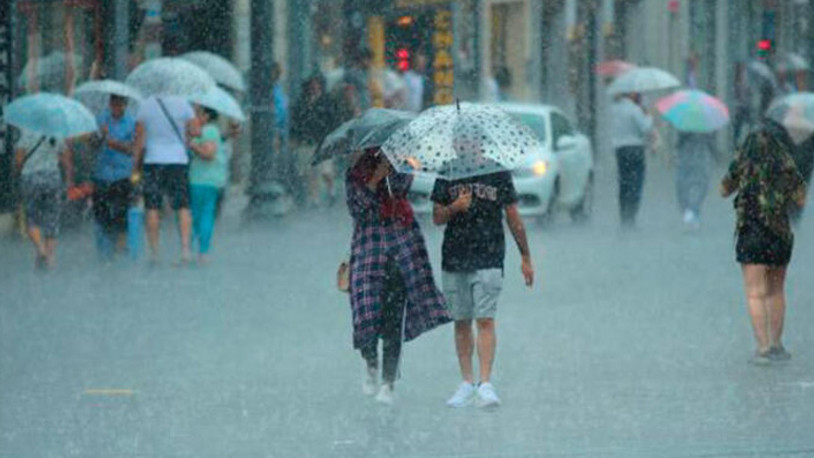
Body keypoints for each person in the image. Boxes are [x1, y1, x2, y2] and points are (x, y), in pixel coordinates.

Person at [346, 149, 451, 405]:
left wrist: (390, 171)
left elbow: (403, 188)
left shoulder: (400, 166)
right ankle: (371, 361)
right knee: (365, 313)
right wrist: (374, 179)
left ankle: (388, 382)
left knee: (394, 319)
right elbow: (359, 208)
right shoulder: (354, 174)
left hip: (401, 245)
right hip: (369, 246)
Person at [431, 168, 534, 408]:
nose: (466, 143)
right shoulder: (447, 172)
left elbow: (512, 216)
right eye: (461, 140)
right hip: (455, 258)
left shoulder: (497, 172)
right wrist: (455, 206)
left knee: (485, 319)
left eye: (470, 139)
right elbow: (437, 217)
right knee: (462, 320)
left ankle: (485, 383)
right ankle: (467, 382)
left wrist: (526, 256)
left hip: (489, 256)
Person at [720, 123, 806, 365]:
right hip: (779, 234)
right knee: (776, 291)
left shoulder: (743, 163)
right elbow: (800, 198)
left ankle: (763, 347)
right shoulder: (785, 164)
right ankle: (777, 345)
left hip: (751, 233)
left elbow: (723, 189)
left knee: (755, 293)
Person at [133, 95, 196, 265]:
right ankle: (184, 250)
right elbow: (194, 132)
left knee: (152, 207)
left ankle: (154, 252)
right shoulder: (183, 103)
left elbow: (139, 139)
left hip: (153, 161)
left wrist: (134, 166)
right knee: (183, 206)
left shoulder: (145, 105)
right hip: (178, 161)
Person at [14, 132, 73, 270]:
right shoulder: (55, 133)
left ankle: (40, 250)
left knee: (32, 218)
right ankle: (50, 257)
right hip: (52, 179)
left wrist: (20, 170)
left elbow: (18, 160)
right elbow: (66, 157)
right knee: (52, 218)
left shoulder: (26, 133)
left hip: (31, 179)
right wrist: (70, 179)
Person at [90, 95, 136, 260]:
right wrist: (99, 136)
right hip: (101, 174)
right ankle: (104, 250)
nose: (117, 107)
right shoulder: (101, 119)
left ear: (125, 105)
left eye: (120, 104)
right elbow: (92, 144)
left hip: (122, 175)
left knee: (121, 215)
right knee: (101, 214)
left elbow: (132, 149)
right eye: (114, 104)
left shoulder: (132, 122)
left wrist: (113, 143)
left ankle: (119, 249)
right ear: (109, 104)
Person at [290, 73, 338, 207]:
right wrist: (295, 138)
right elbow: (296, 121)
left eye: (317, 84)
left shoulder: (327, 101)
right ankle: (314, 197)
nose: (314, 87)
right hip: (307, 141)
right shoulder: (301, 102)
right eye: (312, 84)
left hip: (324, 141)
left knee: (325, 170)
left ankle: (330, 190)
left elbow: (334, 120)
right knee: (310, 172)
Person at [187, 105, 227, 265]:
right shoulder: (207, 130)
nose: (195, 117)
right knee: (204, 215)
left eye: (198, 114)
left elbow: (209, 154)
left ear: (206, 116)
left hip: (202, 180)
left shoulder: (209, 130)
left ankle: (198, 251)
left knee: (200, 215)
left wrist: (193, 146)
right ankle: (200, 251)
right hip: (208, 180)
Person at [611, 92, 653, 228]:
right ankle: (631, 215)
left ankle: (624, 214)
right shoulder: (634, 110)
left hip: (620, 150)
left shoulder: (615, 109)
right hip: (635, 149)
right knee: (636, 183)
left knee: (624, 182)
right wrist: (648, 115)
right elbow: (645, 128)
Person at [675, 132, 716, 230]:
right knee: (701, 185)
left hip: (687, 158)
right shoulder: (707, 127)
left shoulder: (684, 127)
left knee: (683, 184)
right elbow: (711, 145)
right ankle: (693, 209)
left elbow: (678, 144)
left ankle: (688, 209)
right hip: (700, 158)